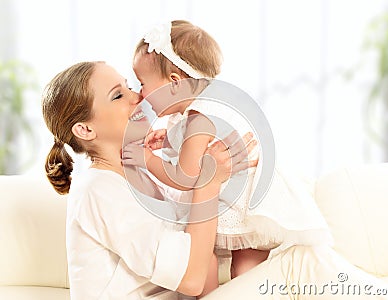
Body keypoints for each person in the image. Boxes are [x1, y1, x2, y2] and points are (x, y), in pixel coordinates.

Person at [123, 20, 332, 295]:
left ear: (174, 83)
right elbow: (196, 149)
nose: (139, 94)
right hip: (258, 205)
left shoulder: (199, 118)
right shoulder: (209, 104)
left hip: (241, 204)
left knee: (202, 257)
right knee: (245, 273)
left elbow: (186, 177)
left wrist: (146, 158)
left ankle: (209, 296)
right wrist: (169, 140)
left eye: (142, 83)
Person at [42, 61, 258, 299]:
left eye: (129, 86)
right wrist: (209, 181)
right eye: (117, 95)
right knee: (298, 263)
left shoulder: (139, 172)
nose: (137, 97)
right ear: (85, 130)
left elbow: (198, 233)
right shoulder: (97, 189)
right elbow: (192, 277)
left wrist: (211, 163)